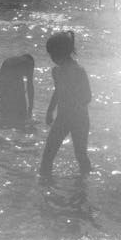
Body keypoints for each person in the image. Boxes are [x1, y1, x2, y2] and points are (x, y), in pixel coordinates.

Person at [39, 31, 92, 178]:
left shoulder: (79, 71)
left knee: (80, 154)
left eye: (52, 54)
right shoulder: (56, 71)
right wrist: (50, 110)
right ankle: (45, 184)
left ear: (62, 52)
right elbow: (57, 92)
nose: (51, 58)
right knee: (47, 155)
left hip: (79, 119)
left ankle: (84, 184)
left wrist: (73, 103)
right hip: (62, 118)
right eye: (49, 54)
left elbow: (88, 97)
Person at [0, 54, 35, 129]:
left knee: (3, 113)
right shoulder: (29, 63)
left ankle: (3, 127)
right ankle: (21, 129)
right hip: (11, 79)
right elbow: (30, 86)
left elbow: (1, 84)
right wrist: (30, 108)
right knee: (22, 115)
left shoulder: (12, 60)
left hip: (3, 82)